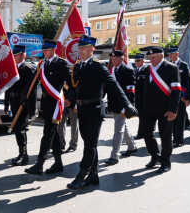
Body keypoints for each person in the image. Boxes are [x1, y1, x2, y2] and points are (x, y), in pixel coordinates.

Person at [67, 35, 137, 189]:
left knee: (90, 144)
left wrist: (127, 104)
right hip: (82, 109)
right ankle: (93, 174)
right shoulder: (77, 66)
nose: (80, 50)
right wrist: (70, 98)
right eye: (79, 48)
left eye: (83, 48)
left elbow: (114, 85)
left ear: (92, 49)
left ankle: (82, 174)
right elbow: (74, 87)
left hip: (95, 109)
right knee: (88, 143)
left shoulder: (99, 66)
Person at [25, 39, 72, 176]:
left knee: (48, 133)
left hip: (56, 103)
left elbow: (69, 82)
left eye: (47, 50)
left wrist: (70, 98)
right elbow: (33, 80)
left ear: (54, 50)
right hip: (46, 103)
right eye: (43, 50)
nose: (44, 52)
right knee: (54, 134)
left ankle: (39, 164)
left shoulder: (61, 63)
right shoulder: (42, 64)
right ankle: (58, 163)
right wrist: (25, 95)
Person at [138, 46, 181, 173]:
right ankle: (155, 156)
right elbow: (143, 90)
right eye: (149, 58)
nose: (150, 60)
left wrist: (173, 109)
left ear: (161, 56)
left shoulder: (171, 68)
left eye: (153, 57)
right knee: (146, 133)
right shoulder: (147, 69)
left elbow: (176, 90)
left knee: (165, 136)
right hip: (148, 109)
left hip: (165, 109)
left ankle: (165, 161)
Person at [4, 45, 37, 166]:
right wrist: (6, 102)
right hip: (14, 101)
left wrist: (32, 109)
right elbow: (8, 86)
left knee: (20, 129)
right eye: (13, 55)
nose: (14, 57)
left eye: (16, 55)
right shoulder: (11, 68)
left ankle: (23, 155)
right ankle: (22, 153)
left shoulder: (28, 69)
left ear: (23, 55)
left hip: (23, 103)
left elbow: (32, 90)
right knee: (17, 129)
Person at [105, 50, 137, 166]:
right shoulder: (111, 70)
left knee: (118, 130)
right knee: (123, 127)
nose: (113, 61)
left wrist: (129, 106)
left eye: (115, 59)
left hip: (123, 105)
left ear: (122, 59)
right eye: (112, 59)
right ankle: (132, 146)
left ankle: (114, 156)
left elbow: (131, 90)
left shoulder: (128, 70)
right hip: (113, 104)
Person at [167, 47, 190, 148]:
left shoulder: (184, 65)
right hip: (171, 96)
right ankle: (174, 139)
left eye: (172, 54)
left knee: (180, 120)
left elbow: (188, 83)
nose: (170, 56)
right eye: (169, 55)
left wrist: (188, 98)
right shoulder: (168, 65)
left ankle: (180, 140)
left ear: (177, 54)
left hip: (181, 97)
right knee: (171, 119)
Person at [58, 82, 78, 153]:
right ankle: (61, 144)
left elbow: (75, 88)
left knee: (74, 124)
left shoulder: (74, 71)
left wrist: (69, 99)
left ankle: (73, 145)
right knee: (60, 123)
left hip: (73, 102)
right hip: (62, 100)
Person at [134, 53, 148, 140]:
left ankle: (141, 133)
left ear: (143, 61)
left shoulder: (146, 70)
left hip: (144, 98)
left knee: (143, 117)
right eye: (135, 60)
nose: (136, 62)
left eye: (138, 60)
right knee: (141, 116)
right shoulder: (135, 70)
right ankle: (143, 132)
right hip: (138, 97)